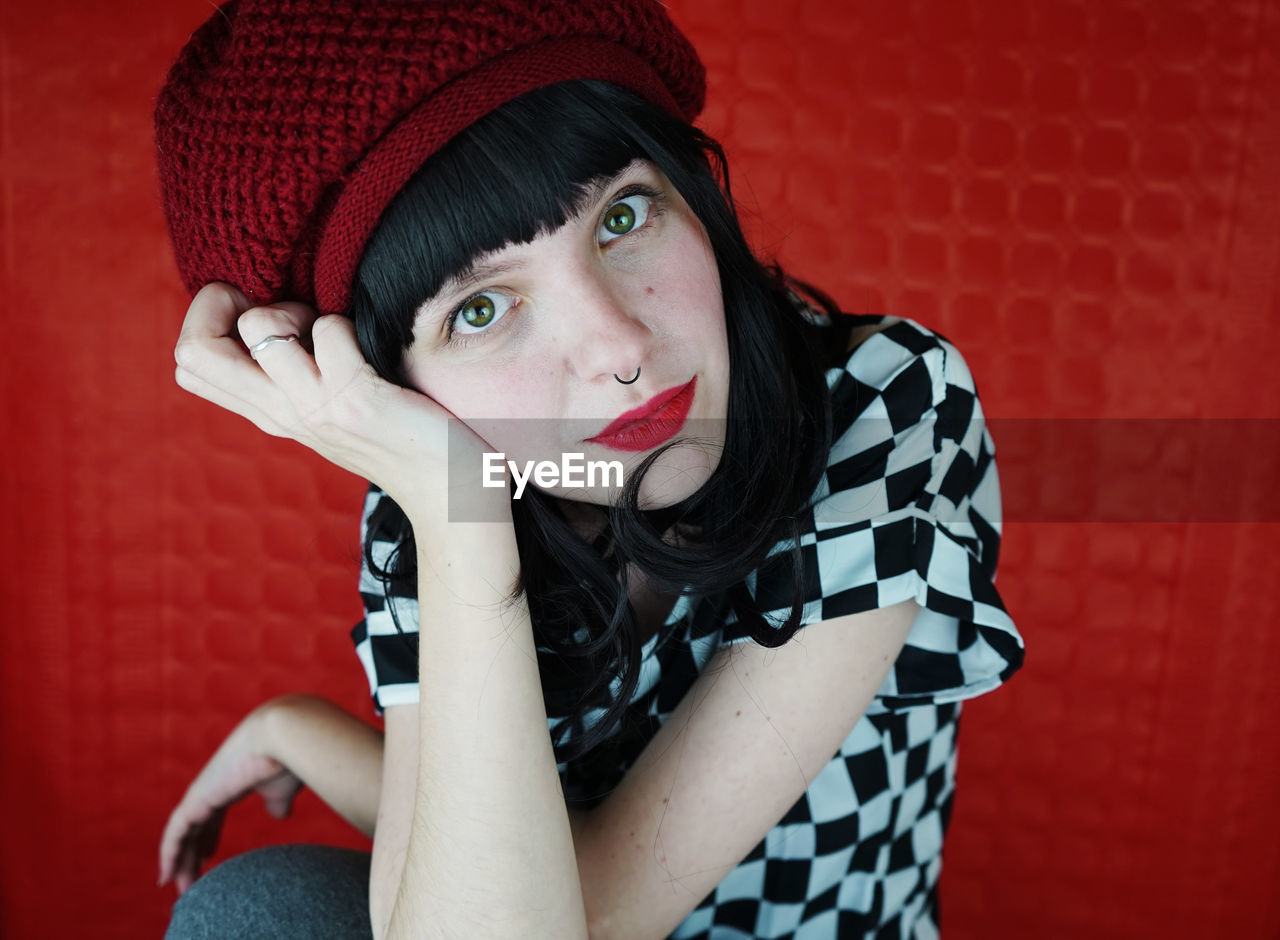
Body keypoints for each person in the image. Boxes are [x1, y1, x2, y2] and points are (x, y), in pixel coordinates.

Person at [153, 1, 1024, 937]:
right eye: (480, 312)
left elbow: (586, 917)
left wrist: (303, 734)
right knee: (254, 911)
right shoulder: (435, 484)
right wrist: (462, 526)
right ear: (384, 379)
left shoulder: (880, 402)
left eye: (624, 215)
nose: (618, 348)